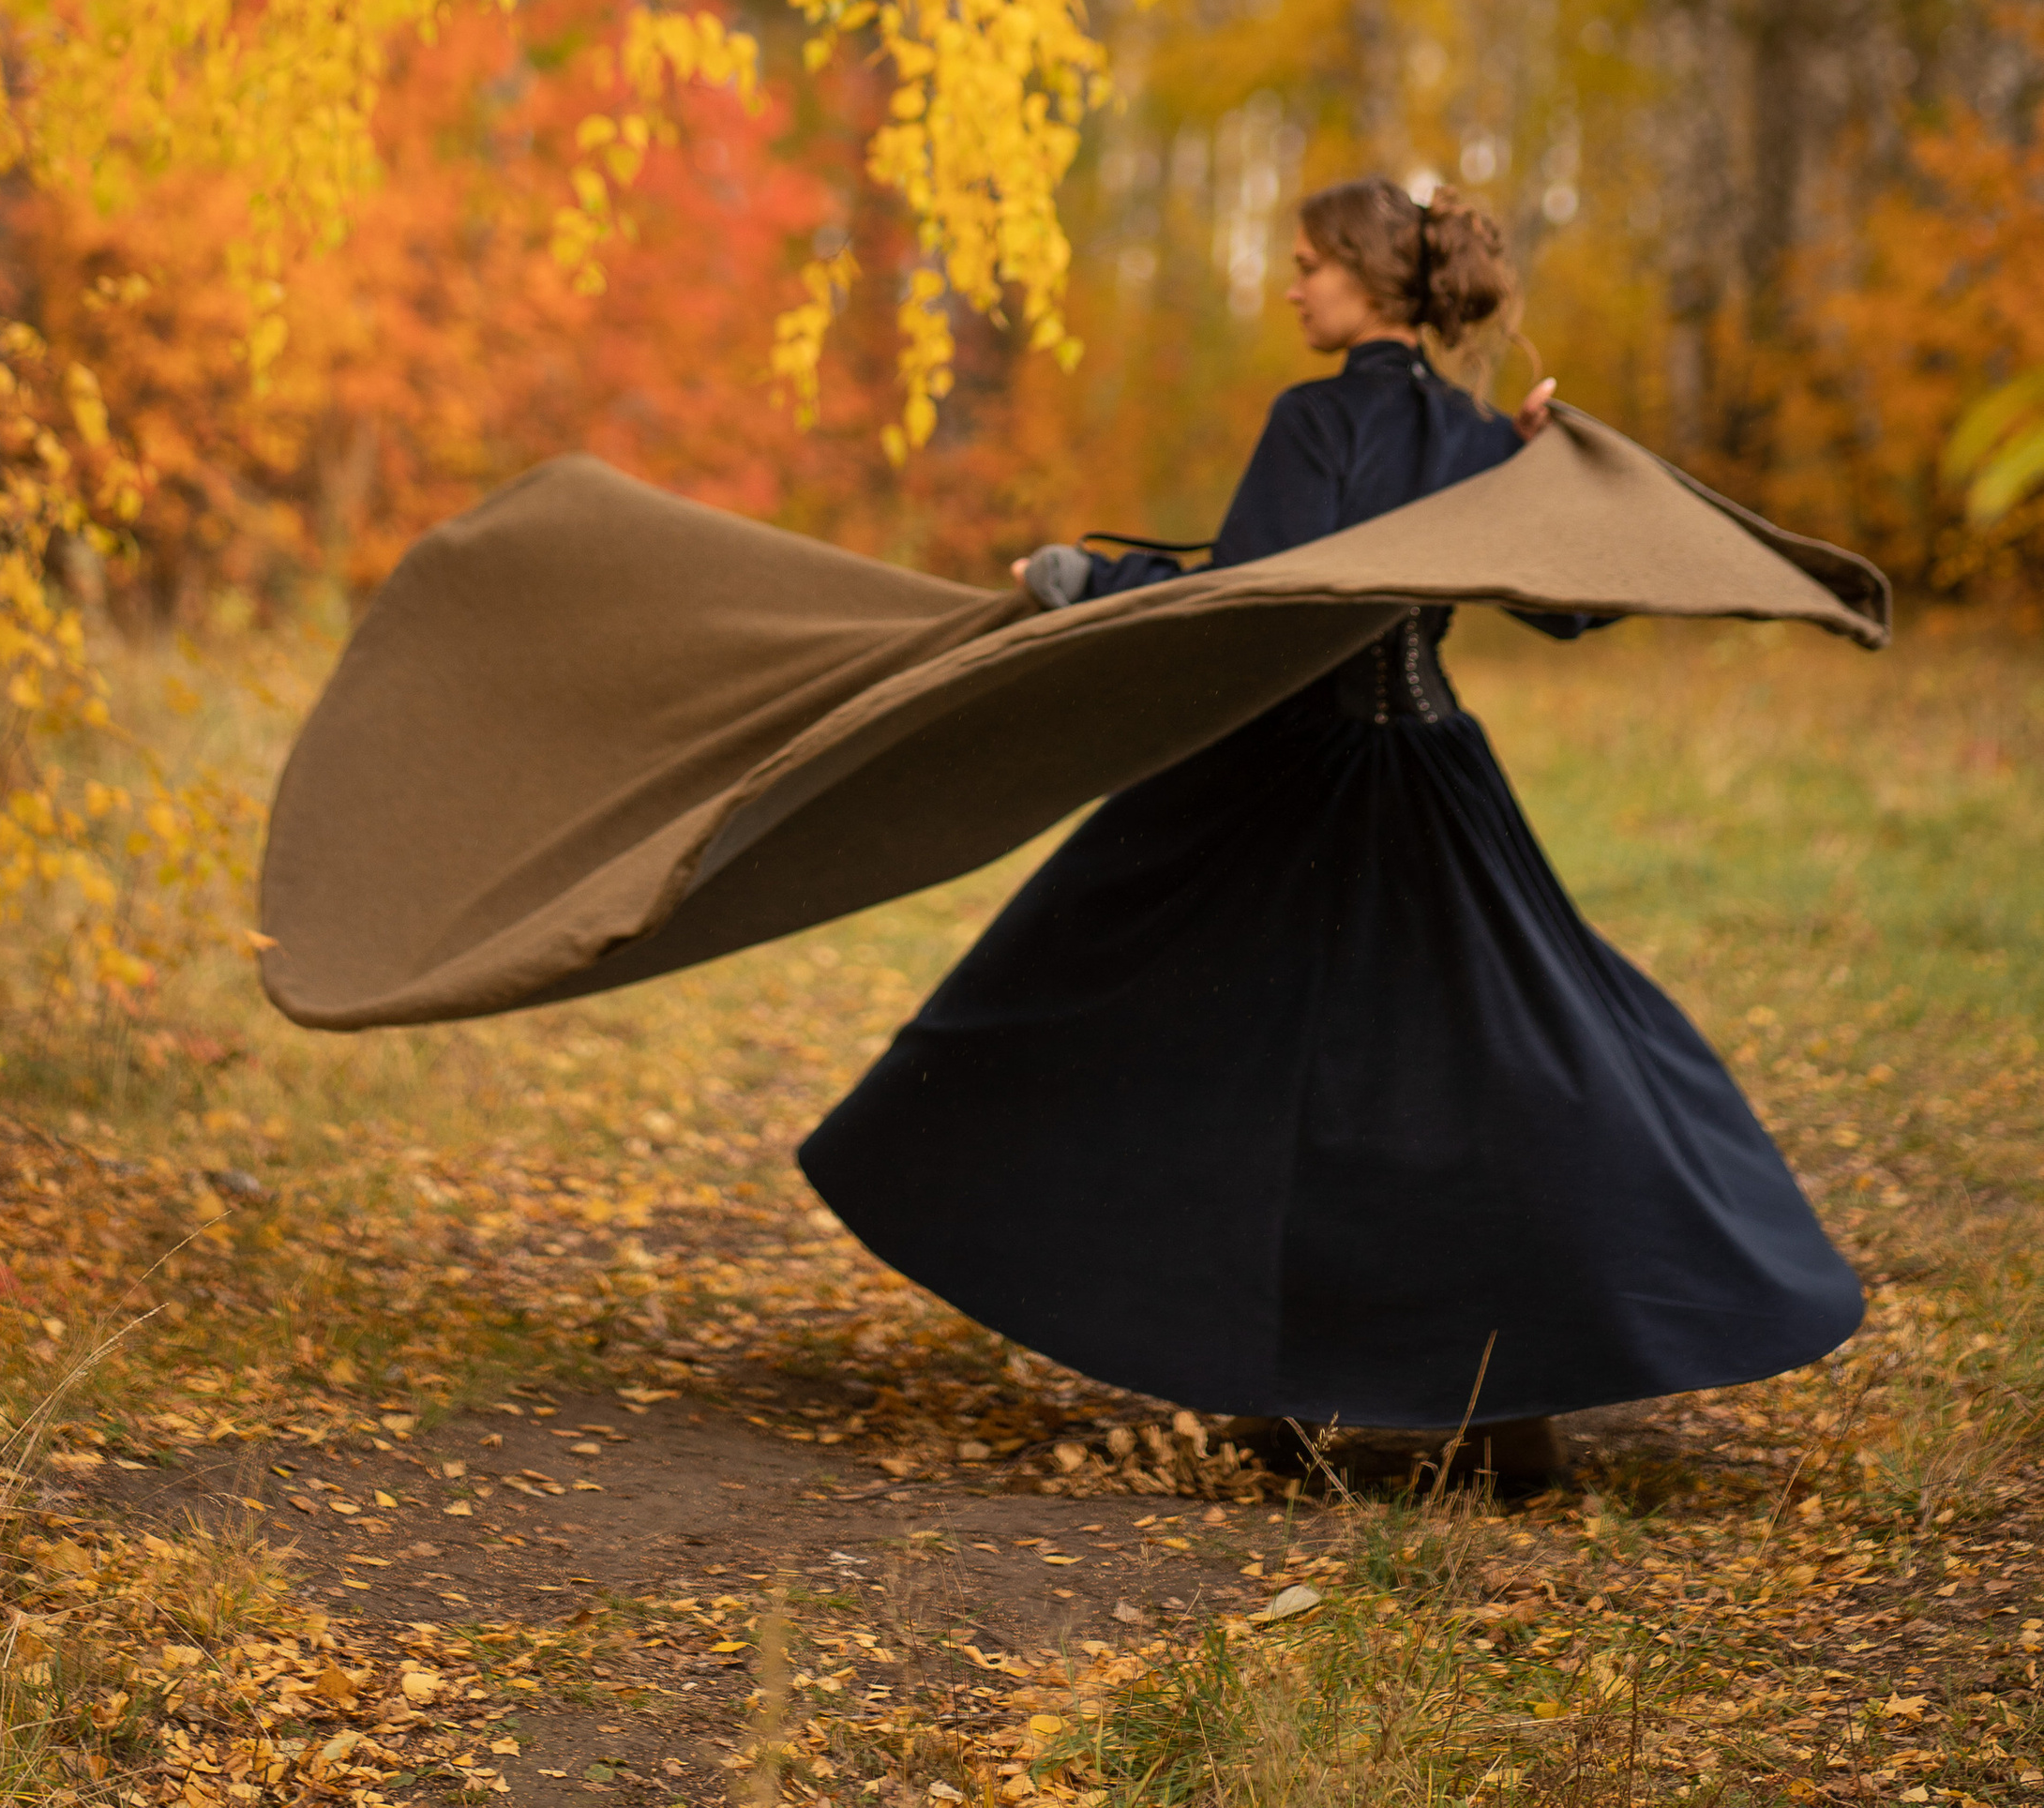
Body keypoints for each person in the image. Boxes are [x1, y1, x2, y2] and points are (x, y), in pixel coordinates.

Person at [797, 174, 1864, 1475]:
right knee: (1492, 1071)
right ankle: (1494, 1405)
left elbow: (1259, 603)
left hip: (1295, 783)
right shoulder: (1472, 432)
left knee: (1207, 1052)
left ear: (1368, 279)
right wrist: (1563, 465)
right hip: (1430, 769)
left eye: (1310, 264)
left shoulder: (1317, 418)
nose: (1293, 285)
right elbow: (1575, 610)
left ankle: (1309, 1392)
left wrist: (1087, 580)